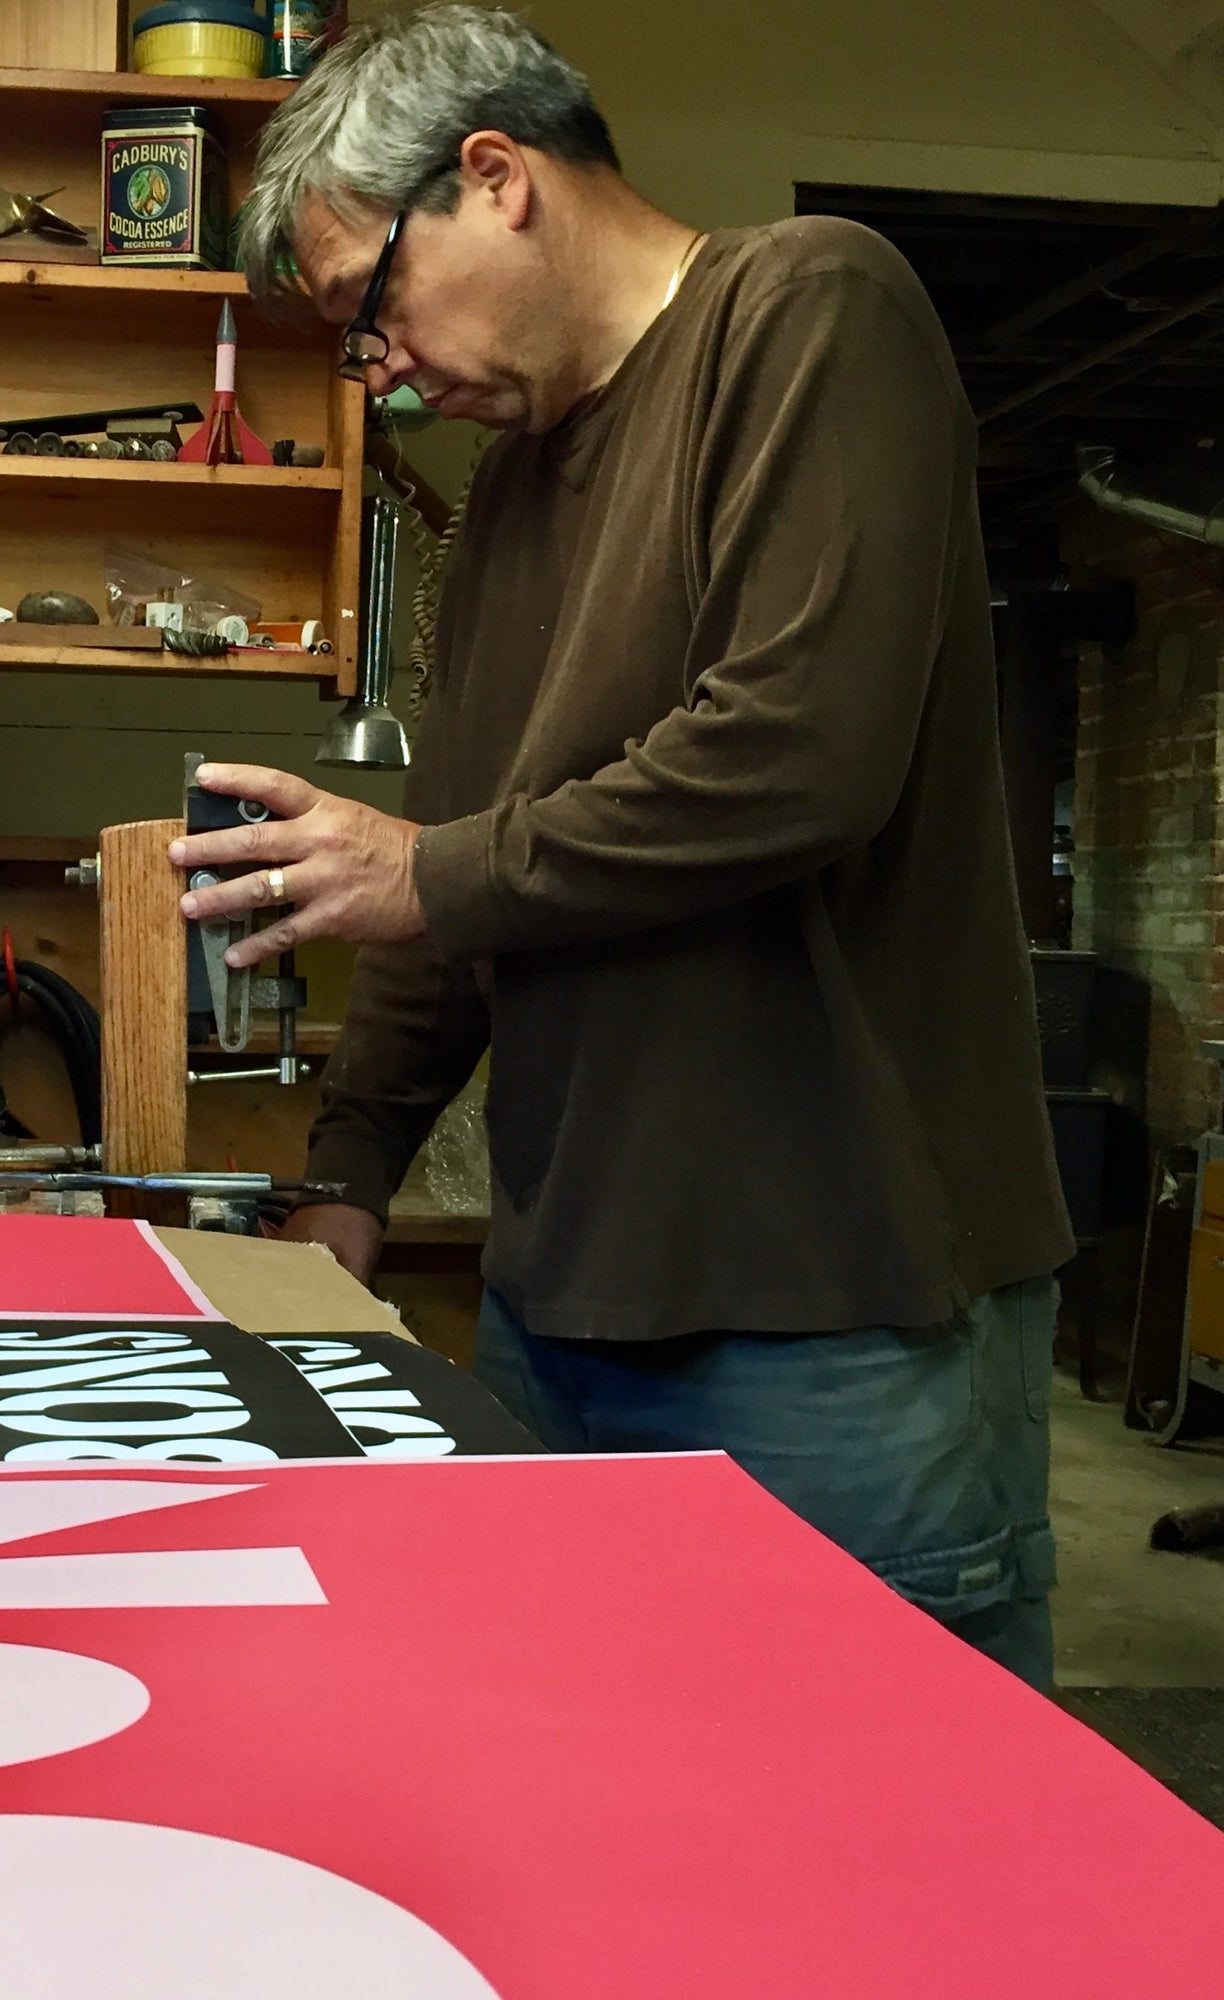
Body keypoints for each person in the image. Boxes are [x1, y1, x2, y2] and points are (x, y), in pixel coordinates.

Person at [169, 4, 1074, 1687]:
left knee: (878, 1860)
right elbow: (464, 852)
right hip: (557, 1308)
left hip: (831, 1313)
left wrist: (420, 870)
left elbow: (797, 757)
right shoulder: (509, 495)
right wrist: (350, 1171)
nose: (382, 373)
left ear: (495, 178)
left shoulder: (809, 308)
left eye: (370, 306)